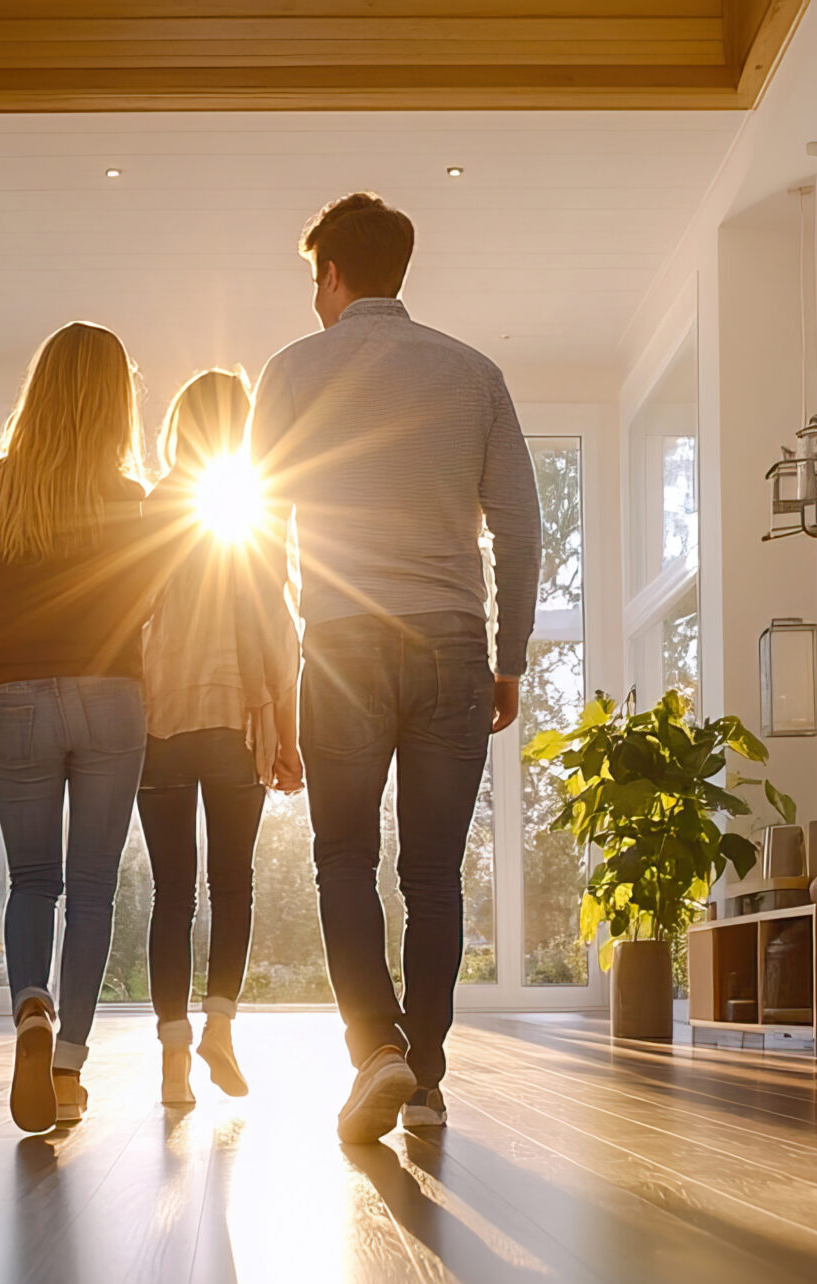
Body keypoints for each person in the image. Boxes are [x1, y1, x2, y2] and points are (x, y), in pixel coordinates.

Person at [249, 193, 539, 1143]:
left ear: (331, 273)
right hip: (453, 643)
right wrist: (510, 656)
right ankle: (425, 1078)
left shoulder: (292, 371)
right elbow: (519, 527)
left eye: (313, 280)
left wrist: (274, 677)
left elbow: (258, 538)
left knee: (343, 857)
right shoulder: (473, 373)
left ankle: (377, 1046)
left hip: (338, 645)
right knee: (434, 873)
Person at [0, 321, 169, 1135]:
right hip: (113, 699)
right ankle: (69, 1067)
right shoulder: (134, 500)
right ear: (118, 401)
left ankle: (30, 1010)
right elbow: (146, 614)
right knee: (95, 889)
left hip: (17, 706)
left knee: (32, 881)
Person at [137, 368, 302, 1107]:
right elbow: (280, 633)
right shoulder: (256, 510)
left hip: (159, 725)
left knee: (172, 891)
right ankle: (220, 1028)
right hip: (238, 721)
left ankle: (173, 1059)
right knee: (231, 884)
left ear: (180, 429)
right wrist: (289, 734)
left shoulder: (149, 509)